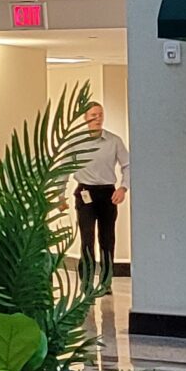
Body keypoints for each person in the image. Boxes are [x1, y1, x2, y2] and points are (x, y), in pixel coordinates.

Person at [71, 103, 128, 285]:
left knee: (107, 238)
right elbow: (64, 168)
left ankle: (106, 282)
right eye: (93, 115)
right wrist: (59, 196)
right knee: (87, 238)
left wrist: (123, 187)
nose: (97, 118)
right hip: (85, 192)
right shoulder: (76, 142)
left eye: (100, 115)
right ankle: (86, 282)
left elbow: (127, 165)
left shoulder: (114, 141)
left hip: (107, 194)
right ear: (85, 118)